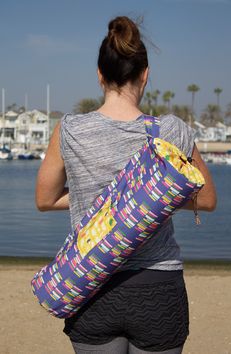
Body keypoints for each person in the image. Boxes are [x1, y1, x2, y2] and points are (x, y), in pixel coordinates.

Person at [35, 16, 217, 354]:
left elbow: (45, 200)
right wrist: (148, 199)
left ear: (100, 76)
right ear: (146, 74)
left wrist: (103, 200)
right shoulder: (171, 131)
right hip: (159, 286)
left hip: (91, 283)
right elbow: (206, 199)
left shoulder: (70, 129)